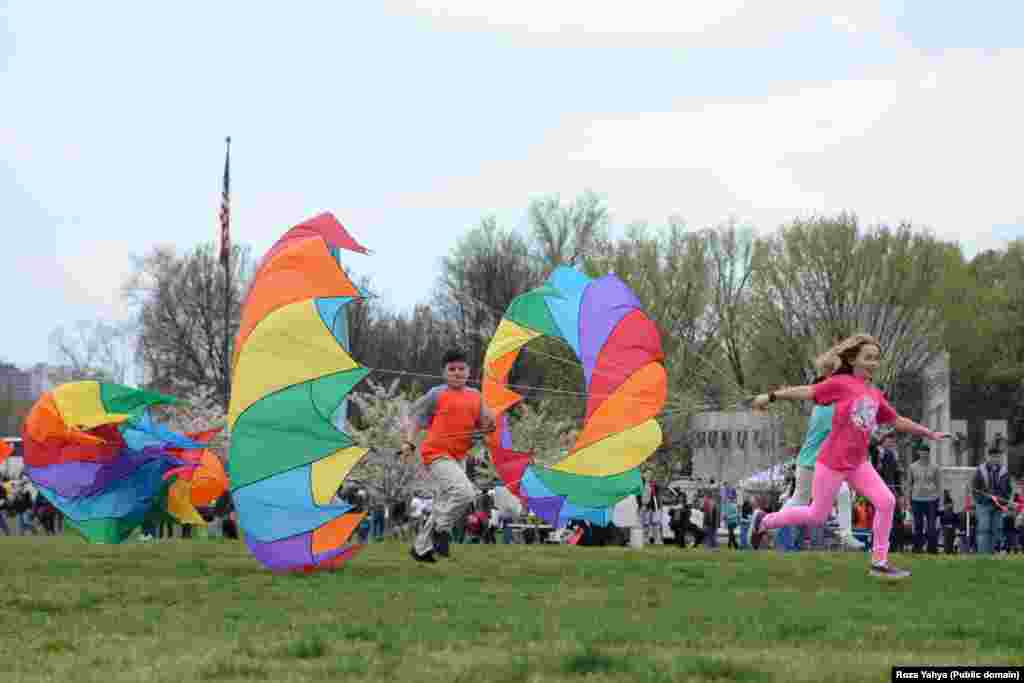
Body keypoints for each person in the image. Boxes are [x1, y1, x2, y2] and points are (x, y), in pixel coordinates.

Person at [751, 333, 951, 579]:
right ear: (854, 360)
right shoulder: (841, 383)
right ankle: (766, 521)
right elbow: (808, 391)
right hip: (832, 462)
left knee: (887, 502)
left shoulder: (874, 394)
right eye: (868, 358)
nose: (873, 363)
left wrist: (928, 432)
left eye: (876, 359)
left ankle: (879, 563)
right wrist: (770, 396)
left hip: (859, 464)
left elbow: (896, 420)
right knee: (816, 515)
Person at [402, 348, 496, 563]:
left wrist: (489, 424)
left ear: (469, 371)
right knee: (464, 493)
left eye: (461, 369)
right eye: (451, 369)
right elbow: (417, 418)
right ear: (444, 373)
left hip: (458, 457)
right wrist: (408, 442)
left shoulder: (476, 396)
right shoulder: (437, 394)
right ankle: (441, 530)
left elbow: (485, 426)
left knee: (444, 502)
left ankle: (420, 549)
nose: (457, 373)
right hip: (436, 453)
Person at [778, 370, 864, 553]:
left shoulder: (819, 409)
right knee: (841, 493)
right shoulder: (828, 410)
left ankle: (771, 522)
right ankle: (846, 534)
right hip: (818, 462)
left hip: (806, 461)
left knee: (799, 498)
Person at [972, 446, 1012, 555]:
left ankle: (993, 552)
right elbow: (975, 489)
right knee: (984, 529)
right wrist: (983, 499)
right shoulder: (980, 470)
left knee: (996, 529)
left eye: (997, 457)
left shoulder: (1004, 471)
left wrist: (1003, 501)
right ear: (988, 457)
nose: (995, 459)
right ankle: (983, 554)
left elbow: (1008, 490)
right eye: (993, 457)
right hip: (984, 505)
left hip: (998, 506)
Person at [908, 442, 942, 554]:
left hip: (932, 500)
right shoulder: (912, 467)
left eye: (926, 452)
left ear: (929, 453)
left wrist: (940, 500)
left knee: (931, 526)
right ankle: (917, 549)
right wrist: (908, 501)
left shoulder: (935, 467)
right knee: (918, 525)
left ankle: (932, 549)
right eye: (922, 452)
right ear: (918, 453)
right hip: (916, 499)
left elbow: (938, 485)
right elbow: (909, 485)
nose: (924, 454)